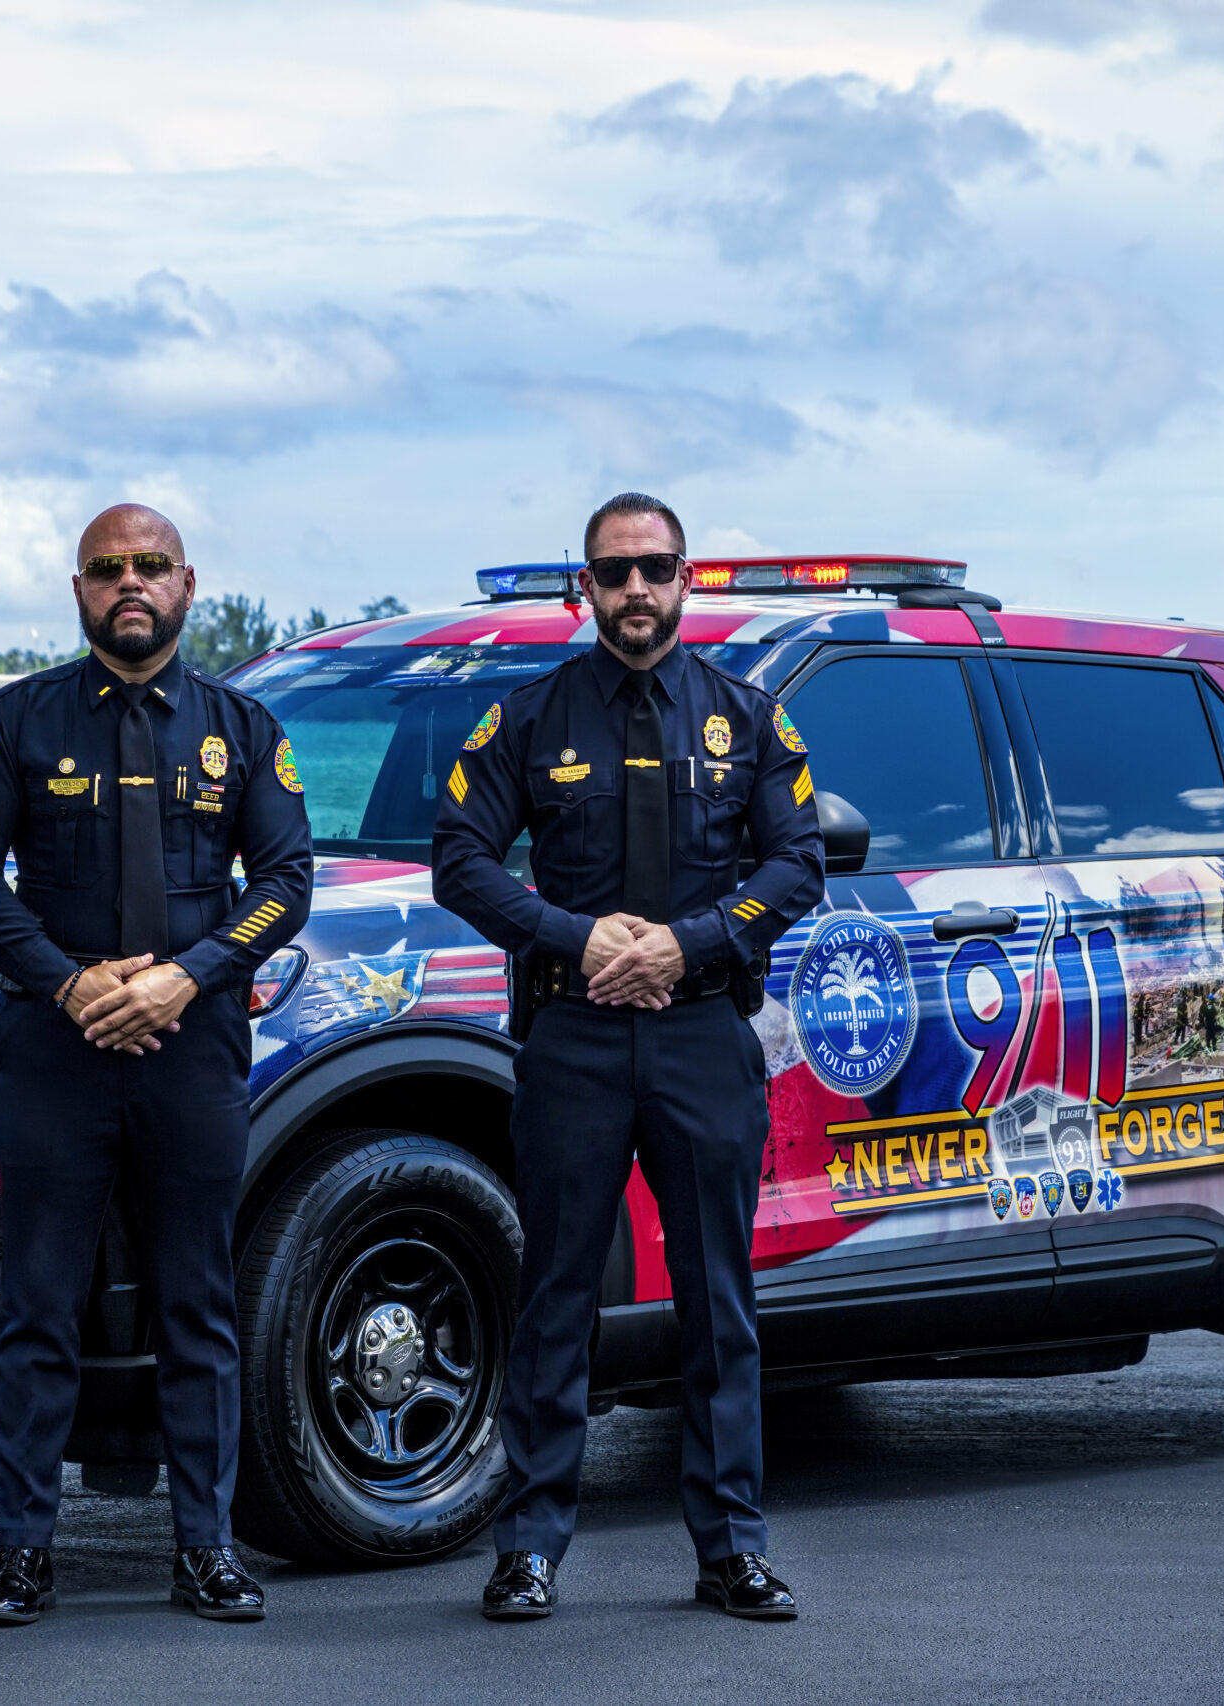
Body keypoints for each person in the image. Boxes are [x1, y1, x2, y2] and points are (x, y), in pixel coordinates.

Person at [432, 491, 825, 1621]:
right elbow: (459, 855)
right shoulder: (529, 718)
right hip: (576, 1036)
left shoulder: (747, 719)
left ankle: (731, 1548)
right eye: (614, 572)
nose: (636, 590)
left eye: (654, 568)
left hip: (702, 1032)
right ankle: (531, 1546)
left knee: (718, 1299)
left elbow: (797, 862)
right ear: (585, 588)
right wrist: (576, 936)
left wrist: (690, 943)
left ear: (686, 576)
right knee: (555, 1295)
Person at [0, 503, 313, 1625]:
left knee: (197, 1303)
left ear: (187, 585)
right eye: (109, 570)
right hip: (54, 1048)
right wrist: (69, 981)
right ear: (79, 589)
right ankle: (21, 1554)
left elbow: (285, 882)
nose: (129, 584)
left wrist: (183, 975)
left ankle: (205, 1549)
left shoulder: (241, 728)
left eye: (150, 566)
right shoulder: (18, 721)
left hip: (190, 1049)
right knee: (36, 1305)